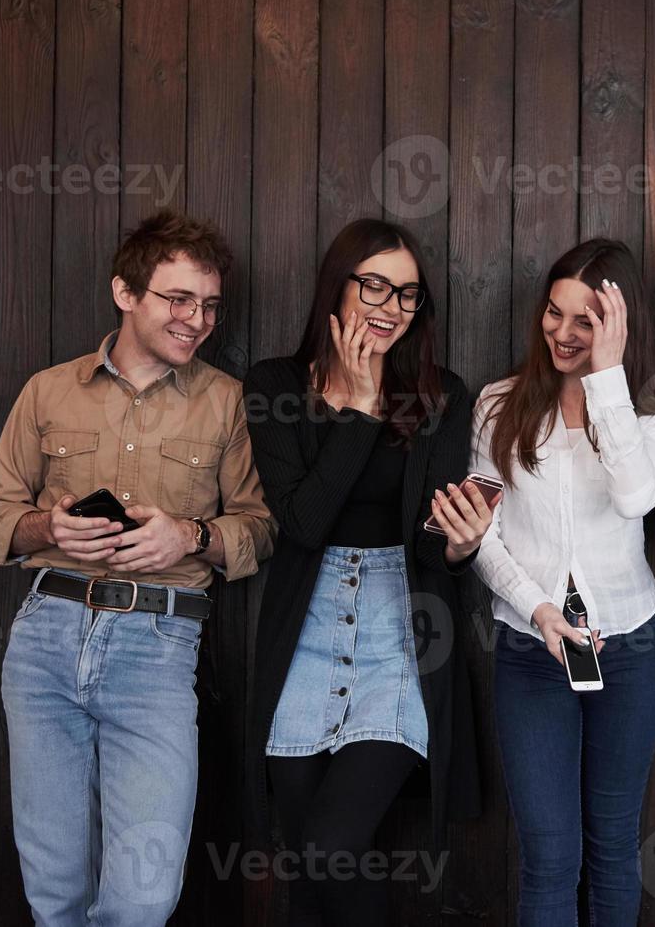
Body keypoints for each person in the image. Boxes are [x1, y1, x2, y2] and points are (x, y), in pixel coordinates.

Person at [0, 209, 277, 924]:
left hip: (158, 648)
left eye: (207, 305)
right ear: (126, 292)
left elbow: (259, 529)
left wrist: (190, 537)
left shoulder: (227, 402)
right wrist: (46, 527)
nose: (197, 319)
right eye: (178, 300)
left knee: (141, 896)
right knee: (55, 888)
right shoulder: (48, 391)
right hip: (46, 635)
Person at [242, 218, 490, 926]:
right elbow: (303, 523)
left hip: (399, 630)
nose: (389, 307)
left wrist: (460, 547)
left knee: (331, 846)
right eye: (374, 285)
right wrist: (354, 406)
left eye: (407, 294)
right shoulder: (275, 384)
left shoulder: (442, 393)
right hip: (306, 628)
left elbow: (432, 540)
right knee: (306, 870)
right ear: (337, 284)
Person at [470, 238, 655, 926]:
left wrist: (607, 377)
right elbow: (481, 536)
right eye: (553, 314)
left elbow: (636, 497)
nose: (561, 332)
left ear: (618, 326)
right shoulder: (499, 402)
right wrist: (533, 609)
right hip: (530, 655)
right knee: (550, 856)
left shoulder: (647, 405)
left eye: (583, 320)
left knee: (613, 848)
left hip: (628, 651)